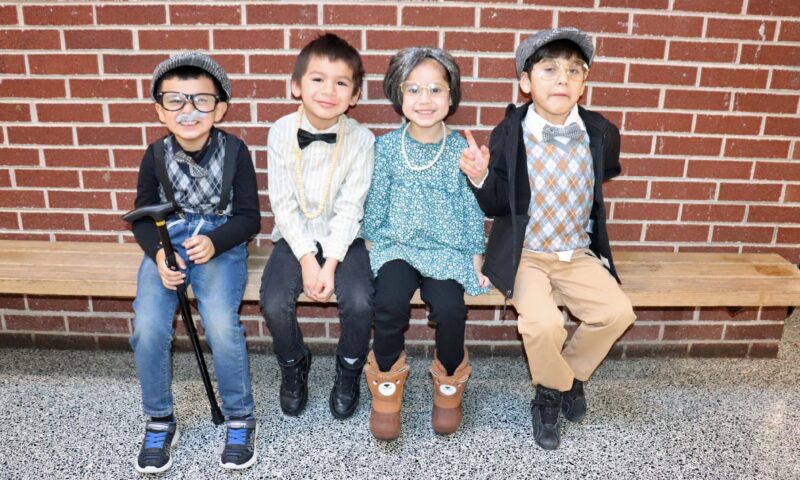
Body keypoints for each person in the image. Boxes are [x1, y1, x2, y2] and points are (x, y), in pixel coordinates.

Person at [459, 28, 636, 450]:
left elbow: (601, 178)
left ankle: (563, 379)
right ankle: (549, 396)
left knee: (617, 312)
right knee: (542, 323)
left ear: (584, 82)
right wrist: (481, 176)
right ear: (525, 82)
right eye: (549, 69)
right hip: (528, 255)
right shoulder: (509, 132)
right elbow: (499, 203)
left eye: (574, 70)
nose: (562, 79)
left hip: (576, 251)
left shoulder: (600, 131)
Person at [129, 52, 261, 472]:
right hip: (169, 243)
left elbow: (249, 218)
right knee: (148, 326)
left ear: (220, 108)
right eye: (175, 101)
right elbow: (142, 217)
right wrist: (159, 254)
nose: (189, 111)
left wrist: (217, 242)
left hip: (220, 243)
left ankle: (239, 416)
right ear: (160, 110)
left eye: (201, 100)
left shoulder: (236, 152)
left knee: (222, 325)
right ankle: (160, 418)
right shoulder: (154, 156)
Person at [362, 47, 489, 441]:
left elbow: (470, 211)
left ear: (451, 98)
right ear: (399, 96)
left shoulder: (460, 151)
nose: (425, 100)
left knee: (451, 308)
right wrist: (372, 249)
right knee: (388, 303)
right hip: (397, 245)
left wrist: (476, 260)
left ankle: (449, 382)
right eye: (414, 89)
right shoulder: (385, 147)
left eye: (436, 90)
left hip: (445, 251)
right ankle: (386, 384)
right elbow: (375, 203)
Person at [260, 33, 374, 420]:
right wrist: (309, 260)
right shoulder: (279, 131)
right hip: (294, 237)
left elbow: (351, 208)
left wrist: (330, 263)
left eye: (341, 83)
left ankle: (349, 369)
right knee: (274, 301)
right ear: (296, 86)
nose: (329, 90)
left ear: (354, 95)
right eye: (318, 79)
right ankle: (294, 364)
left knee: (360, 301)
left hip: (345, 237)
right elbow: (283, 205)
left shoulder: (361, 140)